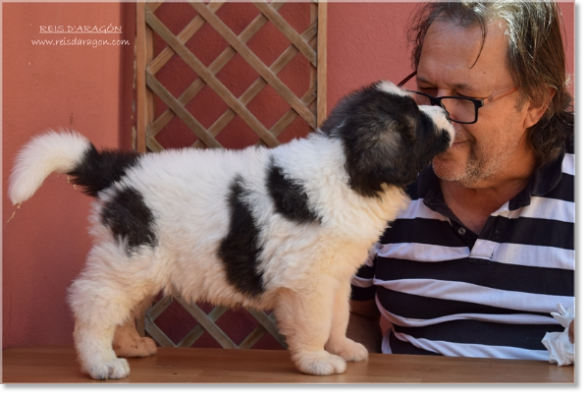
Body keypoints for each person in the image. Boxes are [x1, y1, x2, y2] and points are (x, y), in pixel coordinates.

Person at [348, 0, 574, 361]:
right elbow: (353, 312)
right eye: (427, 90)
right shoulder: (380, 179)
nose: (436, 119)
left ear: (535, 103)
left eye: (465, 99)